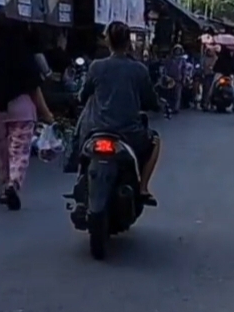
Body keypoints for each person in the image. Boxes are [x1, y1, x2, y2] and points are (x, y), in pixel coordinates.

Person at [78, 21, 161, 205]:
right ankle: (143, 187)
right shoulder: (139, 69)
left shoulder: (96, 67)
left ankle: (80, 178)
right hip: (129, 133)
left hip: (95, 129)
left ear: (108, 41)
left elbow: (83, 95)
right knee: (155, 141)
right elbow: (150, 99)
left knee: (80, 142)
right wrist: (157, 105)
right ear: (128, 42)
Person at [0, 21, 54, 211]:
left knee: (0, 153)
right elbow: (34, 88)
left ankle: (3, 188)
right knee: (19, 151)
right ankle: (14, 184)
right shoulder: (24, 56)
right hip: (22, 110)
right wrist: (47, 114)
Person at [211, 45, 234, 112]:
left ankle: (208, 102)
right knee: (232, 87)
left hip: (221, 75)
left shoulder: (220, 59)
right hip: (228, 75)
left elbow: (215, 68)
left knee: (213, 85)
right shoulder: (230, 59)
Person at [165, 45, 185, 113]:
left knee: (177, 95)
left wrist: (184, 78)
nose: (177, 51)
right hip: (170, 79)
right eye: (176, 50)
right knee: (170, 94)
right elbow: (166, 69)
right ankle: (170, 107)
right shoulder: (169, 59)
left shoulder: (182, 60)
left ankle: (176, 108)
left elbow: (184, 70)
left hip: (178, 79)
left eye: (179, 50)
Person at [200, 46, 217, 110]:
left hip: (213, 75)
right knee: (206, 90)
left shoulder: (215, 58)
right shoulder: (204, 58)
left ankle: (211, 103)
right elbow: (202, 66)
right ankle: (204, 103)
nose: (210, 52)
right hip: (206, 75)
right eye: (209, 51)